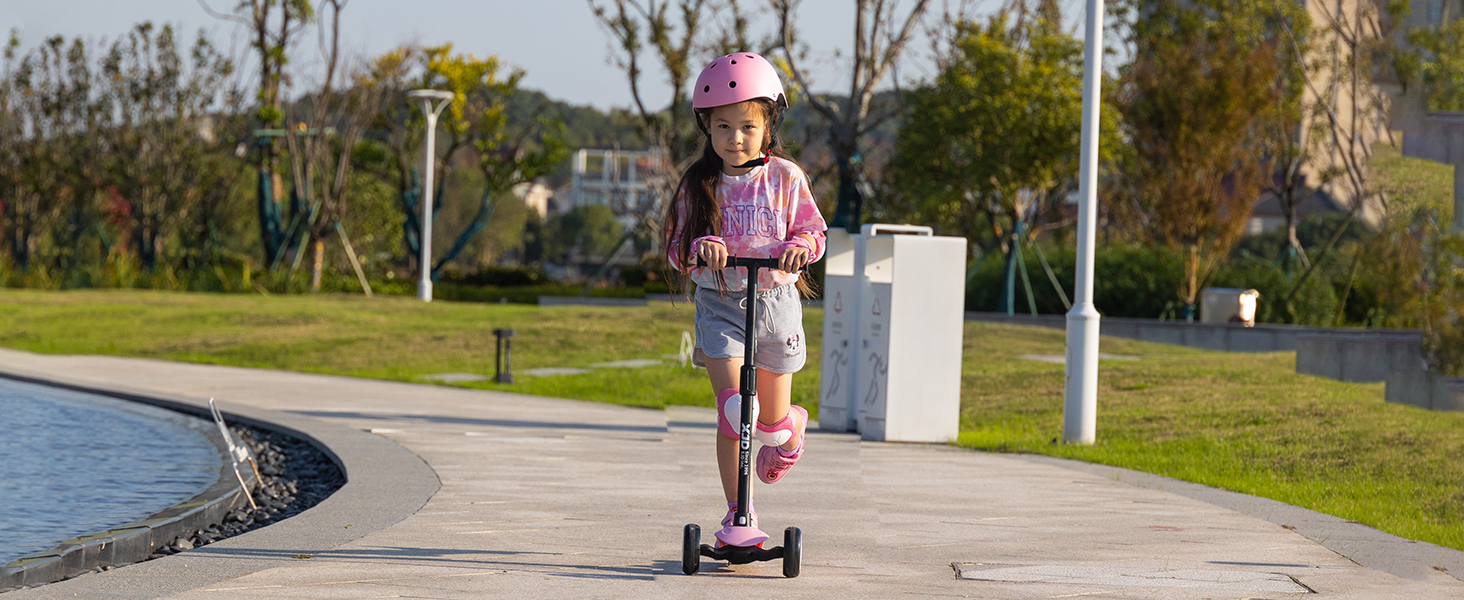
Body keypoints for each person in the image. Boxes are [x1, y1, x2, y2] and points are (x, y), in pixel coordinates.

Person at [663, 52, 828, 535]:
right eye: (722, 127)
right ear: (706, 128)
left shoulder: (785, 178)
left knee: (770, 424)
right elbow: (676, 248)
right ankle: (740, 512)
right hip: (718, 304)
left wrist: (800, 247)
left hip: (775, 304)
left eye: (747, 127)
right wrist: (700, 247)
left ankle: (790, 431)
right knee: (735, 410)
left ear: (768, 126)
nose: (734, 139)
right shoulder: (699, 183)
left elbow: (814, 231)